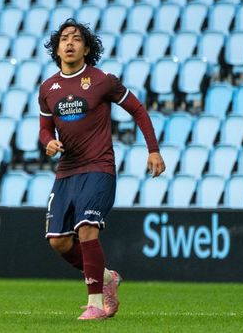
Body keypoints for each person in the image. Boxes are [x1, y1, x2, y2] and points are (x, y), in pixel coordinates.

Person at [37, 19, 166, 320]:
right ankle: (106, 277)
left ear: (86, 47)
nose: (69, 43)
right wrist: (49, 142)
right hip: (66, 171)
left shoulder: (102, 79)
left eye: (76, 39)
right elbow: (44, 129)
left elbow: (137, 109)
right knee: (58, 241)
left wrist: (153, 149)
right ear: (56, 49)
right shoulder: (48, 88)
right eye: (64, 39)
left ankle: (95, 303)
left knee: (86, 230)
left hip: (99, 167)